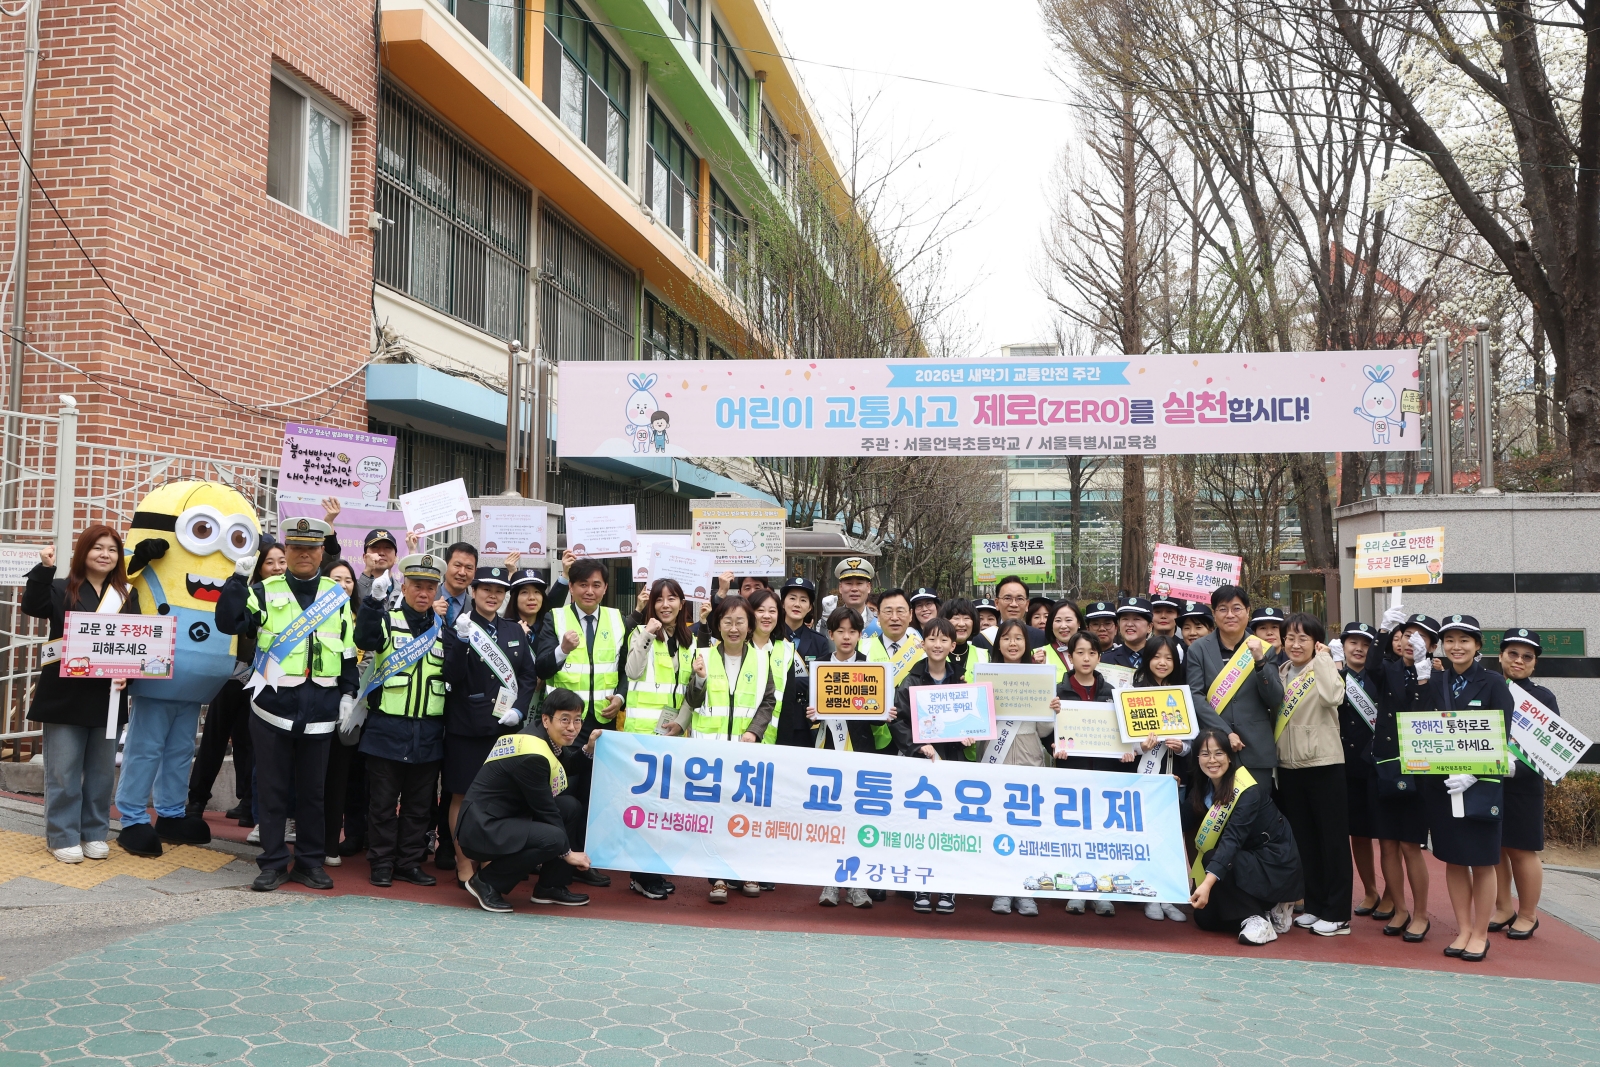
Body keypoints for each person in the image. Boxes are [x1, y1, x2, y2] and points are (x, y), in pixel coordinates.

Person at [216, 516, 357, 892]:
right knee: (274, 789)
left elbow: (345, 649)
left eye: (311, 548)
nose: (304, 555)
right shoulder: (264, 590)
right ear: (287, 551)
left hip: (322, 708)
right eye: (296, 548)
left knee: (314, 792)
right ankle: (274, 862)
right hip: (273, 706)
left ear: (321, 551)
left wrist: (348, 692)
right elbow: (229, 622)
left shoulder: (335, 593)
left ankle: (309, 862)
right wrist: (236, 580)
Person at [24, 528, 139, 863]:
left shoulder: (128, 595)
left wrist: (127, 677)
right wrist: (44, 569)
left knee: (103, 773)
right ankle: (61, 836)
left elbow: (135, 647)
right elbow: (32, 605)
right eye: (97, 548)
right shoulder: (61, 587)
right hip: (64, 695)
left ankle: (94, 833)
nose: (105, 554)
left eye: (112, 550)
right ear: (83, 552)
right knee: (63, 771)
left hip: (108, 698)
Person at [348, 551, 449, 888]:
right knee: (382, 804)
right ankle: (381, 862)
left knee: (420, 806)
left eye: (430, 588)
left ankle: (408, 861)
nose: (424, 593)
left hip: (429, 730)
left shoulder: (444, 629)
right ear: (404, 586)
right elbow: (364, 640)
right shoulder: (387, 620)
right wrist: (374, 604)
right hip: (387, 728)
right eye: (417, 586)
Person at [1415, 614, 1512, 963]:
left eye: (1464, 640)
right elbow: (1422, 728)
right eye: (1450, 640)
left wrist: (1474, 773)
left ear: (1478, 645)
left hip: (1480, 786)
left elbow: (1502, 739)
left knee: (1482, 862)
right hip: (1443, 785)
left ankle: (1482, 934)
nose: (1456, 647)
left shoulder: (1493, 683)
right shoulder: (1438, 681)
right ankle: (1464, 929)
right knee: (1454, 861)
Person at [441, 565, 539, 890]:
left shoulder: (513, 630)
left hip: (503, 730)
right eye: (486, 589)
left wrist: (520, 710)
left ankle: (487, 860)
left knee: (495, 798)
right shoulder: (460, 626)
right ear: (473, 591)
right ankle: (463, 861)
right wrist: (461, 641)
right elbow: (451, 676)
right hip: (466, 726)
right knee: (461, 794)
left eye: (499, 590)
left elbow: (527, 675)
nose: (493, 595)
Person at [453, 693, 595, 914]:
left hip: (505, 816)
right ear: (547, 719)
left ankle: (550, 886)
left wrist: (588, 749)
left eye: (577, 720)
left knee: (570, 806)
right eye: (565, 719)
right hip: (483, 827)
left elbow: (566, 767)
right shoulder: (532, 753)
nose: (572, 727)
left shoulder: (541, 736)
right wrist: (568, 853)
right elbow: (545, 808)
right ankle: (486, 882)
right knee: (554, 838)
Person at [680, 594, 776, 904]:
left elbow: (768, 701)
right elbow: (692, 702)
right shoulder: (703, 656)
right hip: (711, 755)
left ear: (750, 627)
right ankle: (718, 877)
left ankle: (746, 870)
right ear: (718, 625)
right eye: (727, 622)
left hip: (747, 754)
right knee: (716, 816)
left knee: (745, 813)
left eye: (740, 622)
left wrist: (754, 732)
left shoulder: (763, 660)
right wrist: (698, 678)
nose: (733, 628)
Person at [187, 540, 285, 830]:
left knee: (250, 743)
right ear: (258, 566)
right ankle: (196, 800)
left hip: (265, 680)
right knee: (214, 739)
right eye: (270, 562)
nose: (277, 567)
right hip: (231, 677)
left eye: (282, 561)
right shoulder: (248, 592)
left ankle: (247, 803)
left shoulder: (289, 596)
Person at [1273, 613, 1352, 936]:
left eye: (1303, 638)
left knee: (1332, 841)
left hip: (1323, 763)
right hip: (1289, 767)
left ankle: (1338, 913)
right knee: (1306, 841)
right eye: (1290, 637)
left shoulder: (1323, 668)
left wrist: (1323, 660)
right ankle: (1317, 905)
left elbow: (1335, 697)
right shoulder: (1280, 672)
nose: (1295, 644)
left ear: (1316, 642)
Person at [1186, 727, 1303, 946]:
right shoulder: (1203, 788)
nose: (1212, 760)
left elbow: (1232, 840)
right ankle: (1265, 911)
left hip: (1274, 863)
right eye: (1205, 754)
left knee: (1214, 858)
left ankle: (1258, 918)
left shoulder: (1247, 791)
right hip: (1241, 862)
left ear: (1230, 757)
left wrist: (1206, 885)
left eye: (1219, 753)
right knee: (1204, 919)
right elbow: (1182, 820)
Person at [622, 577, 694, 900]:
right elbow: (633, 672)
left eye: (672, 599)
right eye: (660, 599)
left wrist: (681, 722)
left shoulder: (689, 641)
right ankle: (641, 875)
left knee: (662, 808)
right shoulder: (640, 634)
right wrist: (647, 635)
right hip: (641, 738)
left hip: (672, 736)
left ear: (682, 603)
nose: (666, 605)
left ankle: (651, 869)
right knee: (643, 807)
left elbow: (691, 691)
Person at [891, 617, 966, 915]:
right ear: (922, 643)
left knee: (949, 827)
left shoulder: (960, 682)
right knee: (921, 827)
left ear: (953, 644)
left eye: (943, 639)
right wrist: (917, 745)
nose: (937, 644)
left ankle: (947, 887)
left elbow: (967, 721)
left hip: (950, 764)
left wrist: (968, 737)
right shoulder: (910, 680)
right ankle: (921, 884)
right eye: (931, 639)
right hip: (921, 766)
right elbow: (898, 721)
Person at [1367, 614, 1433, 941]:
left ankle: (1421, 913)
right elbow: (1372, 668)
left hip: (1418, 771)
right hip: (1384, 766)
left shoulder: (1438, 675)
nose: (1411, 641)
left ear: (1432, 645)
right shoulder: (1389, 669)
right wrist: (1381, 631)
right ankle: (1401, 909)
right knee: (1388, 844)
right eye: (1407, 634)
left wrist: (1423, 676)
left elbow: (1426, 714)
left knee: (1410, 845)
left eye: (1420, 637)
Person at [984, 619, 1052, 918]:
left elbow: (1045, 730)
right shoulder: (984, 675)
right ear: (998, 643)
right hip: (993, 751)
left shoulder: (1039, 676)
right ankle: (1000, 886)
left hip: (1028, 751)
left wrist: (1052, 710)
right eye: (1007, 638)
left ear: (1027, 644)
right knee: (997, 821)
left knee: (1026, 823)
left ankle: (1026, 890)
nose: (1013, 644)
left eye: (1018, 639)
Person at [1049, 630, 1119, 917]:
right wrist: (1052, 744)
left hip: (1105, 773)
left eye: (1091, 652)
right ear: (1070, 656)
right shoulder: (1057, 691)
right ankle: (1076, 888)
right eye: (1080, 652)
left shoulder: (1113, 692)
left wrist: (1125, 750)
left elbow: (1122, 732)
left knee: (1103, 833)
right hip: (1071, 772)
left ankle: (1103, 891)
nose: (1086, 658)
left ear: (1099, 657)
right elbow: (1046, 731)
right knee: (1073, 831)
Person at [1187, 585, 1282, 784]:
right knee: (1216, 810)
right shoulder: (1198, 649)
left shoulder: (1264, 649)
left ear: (1247, 611)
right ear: (1214, 614)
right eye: (1223, 609)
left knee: (1257, 810)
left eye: (1237, 608)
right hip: (1214, 750)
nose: (1230, 615)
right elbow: (1195, 696)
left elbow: (1274, 698)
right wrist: (1226, 733)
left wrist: (1260, 661)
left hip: (1255, 750)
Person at [1492, 627, 1550, 941]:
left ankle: (1528, 914)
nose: (1518, 661)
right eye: (1512, 654)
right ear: (1500, 655)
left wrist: (1516, 768)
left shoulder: (1542, 697)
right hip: (1487, 780)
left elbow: (1549, 749)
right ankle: (1503, 908)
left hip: (1524, 785)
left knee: (1522, 851)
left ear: (1534, 664)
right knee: (1497, 848)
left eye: (1527, 657)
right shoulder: (1487, 685)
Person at [534, 557, 628, 741]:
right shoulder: (554, 617)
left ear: (605, 588)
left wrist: (620, 698)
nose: (590, 591)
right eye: (583, 585)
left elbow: (626, 670)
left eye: (596, 585)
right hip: (565, 719)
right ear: (571, 587)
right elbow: (541, 669)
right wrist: (563, 650)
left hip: (604, 718)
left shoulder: (618, 619)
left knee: (599, 770)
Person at [1331, 621, 1383, 918]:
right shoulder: (1335, 675)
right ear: (1344, 645)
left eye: (1366, 644)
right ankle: (1371, 891)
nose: (1359, 649)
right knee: (1358, 835)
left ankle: (1392, 894)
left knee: (1388, 837)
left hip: (1376, 766)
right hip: (1344, 765)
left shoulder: (1380, 675)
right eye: (1354, 643)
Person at [1101, 596, 1155, 670]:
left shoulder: (1158, 657)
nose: (1129, 624)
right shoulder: (1105, 660)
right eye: (1125, 619)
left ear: (1149, 627)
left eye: (1136, 619)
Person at [994, 576, 1047, 649]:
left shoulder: (1041, 637)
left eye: (1019, 599)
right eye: (1007, 598)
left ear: (1027, 604)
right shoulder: (983, 638)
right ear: (997, 603)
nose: (1014, 604)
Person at [941, 599, 989, 680]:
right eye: (956, 618)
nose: (961, 624)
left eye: (966, 618)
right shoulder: (929, 655)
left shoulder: (984, 655)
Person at [832, 556, 879, 638]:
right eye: (849, 583)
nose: (854, 589)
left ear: (868, 587)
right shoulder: (830, 621)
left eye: (859, 583)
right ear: (840, 587)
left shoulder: (880, 624)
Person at [1042, 601, 1085, 681]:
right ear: (1051, 625)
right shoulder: (1039, 654)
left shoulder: (1092, 652)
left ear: (1078, 623)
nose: (1063, 626)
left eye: (1068, 620)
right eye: (1058, 621)